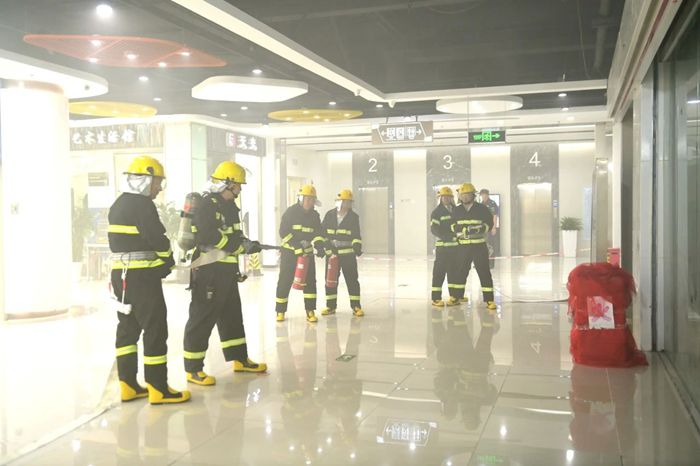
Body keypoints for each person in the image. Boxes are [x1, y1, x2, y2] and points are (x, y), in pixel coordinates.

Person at [108, 155, 190, 404]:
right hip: (142, 277)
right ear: (144, 180)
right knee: (155, 329)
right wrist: (167, 260)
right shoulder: (142, 205)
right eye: (157, 182)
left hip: (121, 276)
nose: (159, 188)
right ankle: (158, 388)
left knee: (128, 328)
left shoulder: (119, 204)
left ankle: (128, 385)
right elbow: (156, 237)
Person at [182, 161, 267, 386]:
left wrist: (247, 244)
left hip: (226, 270)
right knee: (202, 317)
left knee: (232, 316)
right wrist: (237, 246)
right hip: (209, 271)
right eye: (237, 186)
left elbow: (233, 235)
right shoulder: (207, 205)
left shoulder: (229, 206)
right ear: (226, 184)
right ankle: (193, 369)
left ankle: (239, 359)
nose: (239, 190)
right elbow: (207, 236)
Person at [275, 184, 326, 322]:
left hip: (307, 254)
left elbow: (318, 233)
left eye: (312, 199)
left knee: (310, 282)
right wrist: (297, 247)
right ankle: (280, 311)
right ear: (301, 199)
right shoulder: (290, 212)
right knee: (285, 281)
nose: (309, 202)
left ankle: (310, 311)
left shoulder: (315, 215)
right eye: (307, 199)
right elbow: (284, 233)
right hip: (290, 253)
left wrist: (320, 246)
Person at [452, 183, 498, 311]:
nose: (465, 197)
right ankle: (457, 297)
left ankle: (489, 300)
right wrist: (461, 229)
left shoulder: (482, 209)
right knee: (460, 272)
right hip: (463, 247)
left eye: (467, 194)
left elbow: (489, 224)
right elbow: (452, 225)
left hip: (479, 246)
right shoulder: (456, 210)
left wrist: (478, 229)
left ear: (473, 195)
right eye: (462, 195)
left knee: (484, 272)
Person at [321, 189, 364, 317]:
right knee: (330, 280)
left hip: (348, 255)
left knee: (352, 280)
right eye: (346, 202)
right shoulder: (329, 215)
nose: (348, 204)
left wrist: (357, 246)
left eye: (349, 202)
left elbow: (356, 235)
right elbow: (323, 234)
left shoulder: (353, 217)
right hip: (332, 255)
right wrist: (327, 249)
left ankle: (356, 306)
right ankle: (330, 306)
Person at [429, 186, 462, 306]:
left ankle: (454, 296)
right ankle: (436, 298)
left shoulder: (456, 210)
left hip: (455, 247)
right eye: (444, 197)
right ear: (440, 198)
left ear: (451, 197)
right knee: (439, 272)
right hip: (442, 248)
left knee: (454, 272)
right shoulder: (436, 212)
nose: (446, 198)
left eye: (448, 196)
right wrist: (447, 236)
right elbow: (434, 229)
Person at [479, 188, 500, 268]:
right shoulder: (481, 204)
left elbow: (495, 216)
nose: (483, 196)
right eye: (482, 195)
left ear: (487, 195)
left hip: (490, 228)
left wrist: (494, 227)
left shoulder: (492, 204)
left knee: (491, 245)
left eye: (484, 194)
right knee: (483, 245)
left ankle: (491, 263)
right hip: (483, 228)